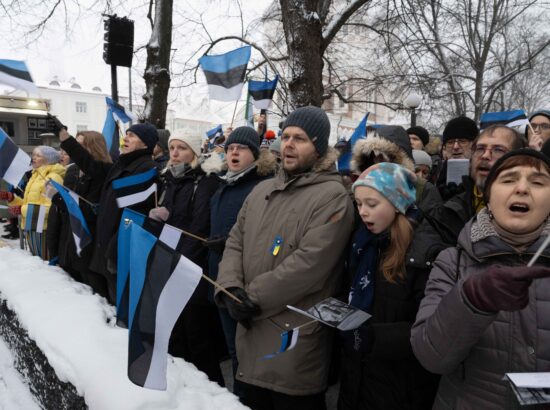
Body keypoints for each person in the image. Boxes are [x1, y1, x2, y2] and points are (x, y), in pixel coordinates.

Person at [215, 106, 355, 410]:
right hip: (249, 329)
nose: (289, 144)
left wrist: (250, 298)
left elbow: (310, 264)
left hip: (291, 341)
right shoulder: (262, 190)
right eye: (286, 136)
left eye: (300, 139)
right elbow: (235, 241)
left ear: (318, 148)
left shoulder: (333, 197)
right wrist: (229, 288)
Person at [411, 148, 550, 409]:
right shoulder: (453, 261)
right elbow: (430, 357)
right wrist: (471, 300)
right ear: (488, 196)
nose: (521, 188)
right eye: (508, 179)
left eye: (538, 182)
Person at [338, 162, 439, 410]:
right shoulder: (362, 242)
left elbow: (433, 329)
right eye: (359, 204)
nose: (362, 212)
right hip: (357, 375)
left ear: (397, 203)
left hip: (400, 386)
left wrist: (374, 338)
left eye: (372, 204)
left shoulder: (424, 252)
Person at [148, 129, 226, 386]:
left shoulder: (204, 181)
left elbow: (199, 229)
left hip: (191, 270)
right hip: (172, 264)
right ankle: (182, 388)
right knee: (177, 332)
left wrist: (179, 265)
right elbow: (174, 224)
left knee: (198, 336)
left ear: (194, 152)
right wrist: (159, 219)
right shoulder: (171, 180)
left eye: (182, 148)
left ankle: (211, 390)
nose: (175, 153)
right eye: (172, 148)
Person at [207, 126, 276, 398]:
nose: (234, 151)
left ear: (256, 154)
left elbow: (268, 234)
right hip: (219, 278)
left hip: (246, 283)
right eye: (230, 148)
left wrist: (229, 242)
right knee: (232, 347)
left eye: (242, 148)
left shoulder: (262, 186)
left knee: (246, 351)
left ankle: (246, 400)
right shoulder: (223, 184)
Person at [59, 122, 158, 304]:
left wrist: (114, 247)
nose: (126, 138)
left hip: (118, 250)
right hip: (103, 246)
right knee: (103, 301)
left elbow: (133, 215)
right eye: (126, 133)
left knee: (118, 302)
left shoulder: (146, 169)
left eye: (133, 136)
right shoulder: (121, 164)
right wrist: (66, 139)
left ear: (146, 144)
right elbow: (90, 164)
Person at [426, 125, 525, 248]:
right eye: (480, 148)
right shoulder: (448, 211)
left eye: (498, 150)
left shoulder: (533, 210)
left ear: (519, 160)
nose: (485, 155)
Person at [47, 131, 112, 297]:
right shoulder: (72, 171)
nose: (75, 149)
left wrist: (57, 198)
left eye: (80, 145)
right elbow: (68, 204)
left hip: (89, 238)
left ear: (93, 147)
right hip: (68, 237)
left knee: (93, 290)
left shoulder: (104, 170)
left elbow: (89, 209)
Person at [351, 125, 442, 214]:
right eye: (373, 158)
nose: (377, 165)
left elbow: (431, 226)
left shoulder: (424, 191)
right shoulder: (363, 189)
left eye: (384, 159)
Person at [2, 146, 66, 259]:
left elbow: (51, 208)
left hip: (44, 230)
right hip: (32, 226)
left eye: (38, 155)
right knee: (37, 266)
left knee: (45, 264)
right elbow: (28, 203)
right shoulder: (35, 176)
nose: (33, 158)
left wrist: (21, 210)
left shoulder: (53, 177)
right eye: (33, 154)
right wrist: (11, 198)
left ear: (48, 159)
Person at [435, 116, 478, 189]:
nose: (455, 147)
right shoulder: (436, 172)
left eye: (462, 141)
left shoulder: (485, 174)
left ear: (474, 145)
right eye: (450, 142)